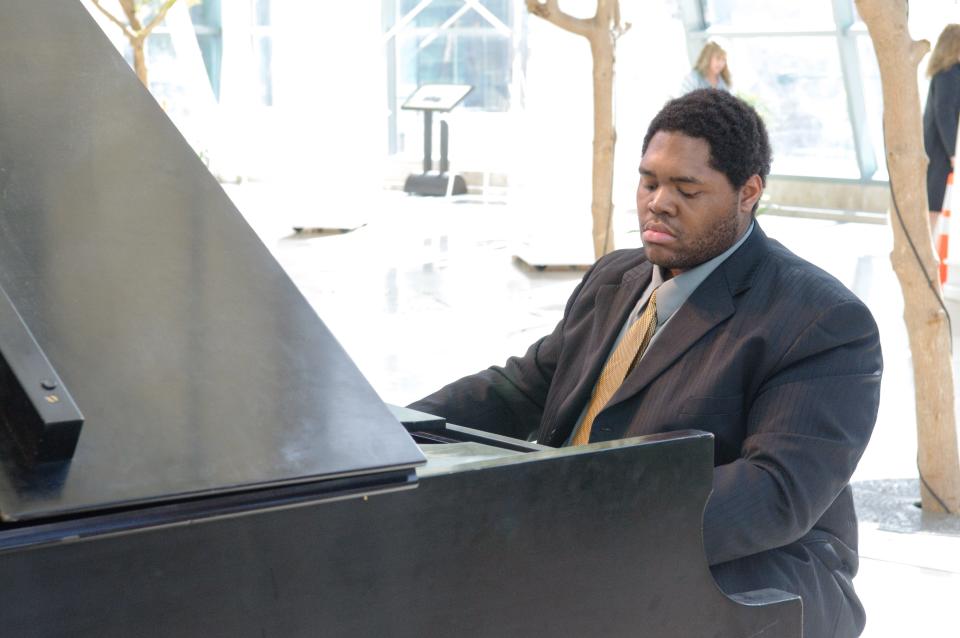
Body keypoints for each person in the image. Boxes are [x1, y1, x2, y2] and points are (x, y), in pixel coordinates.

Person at [410, 89, 882, 638]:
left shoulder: (819, 318)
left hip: (752, 567)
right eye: (649, 182)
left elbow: (776, 492)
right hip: (587, 541)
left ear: (748, 192)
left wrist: (586, 530)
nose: (658, 202)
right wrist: (391, 428)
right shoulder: (617, 278)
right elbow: (522, 388)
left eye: (686, 189)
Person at [924, 24, 960, 234]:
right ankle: (930, 253)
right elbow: (944, 114)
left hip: (942, 148)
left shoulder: (950, 73)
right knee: (935, 202)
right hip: (941, 150)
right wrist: (953, 153)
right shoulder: (947, 74)